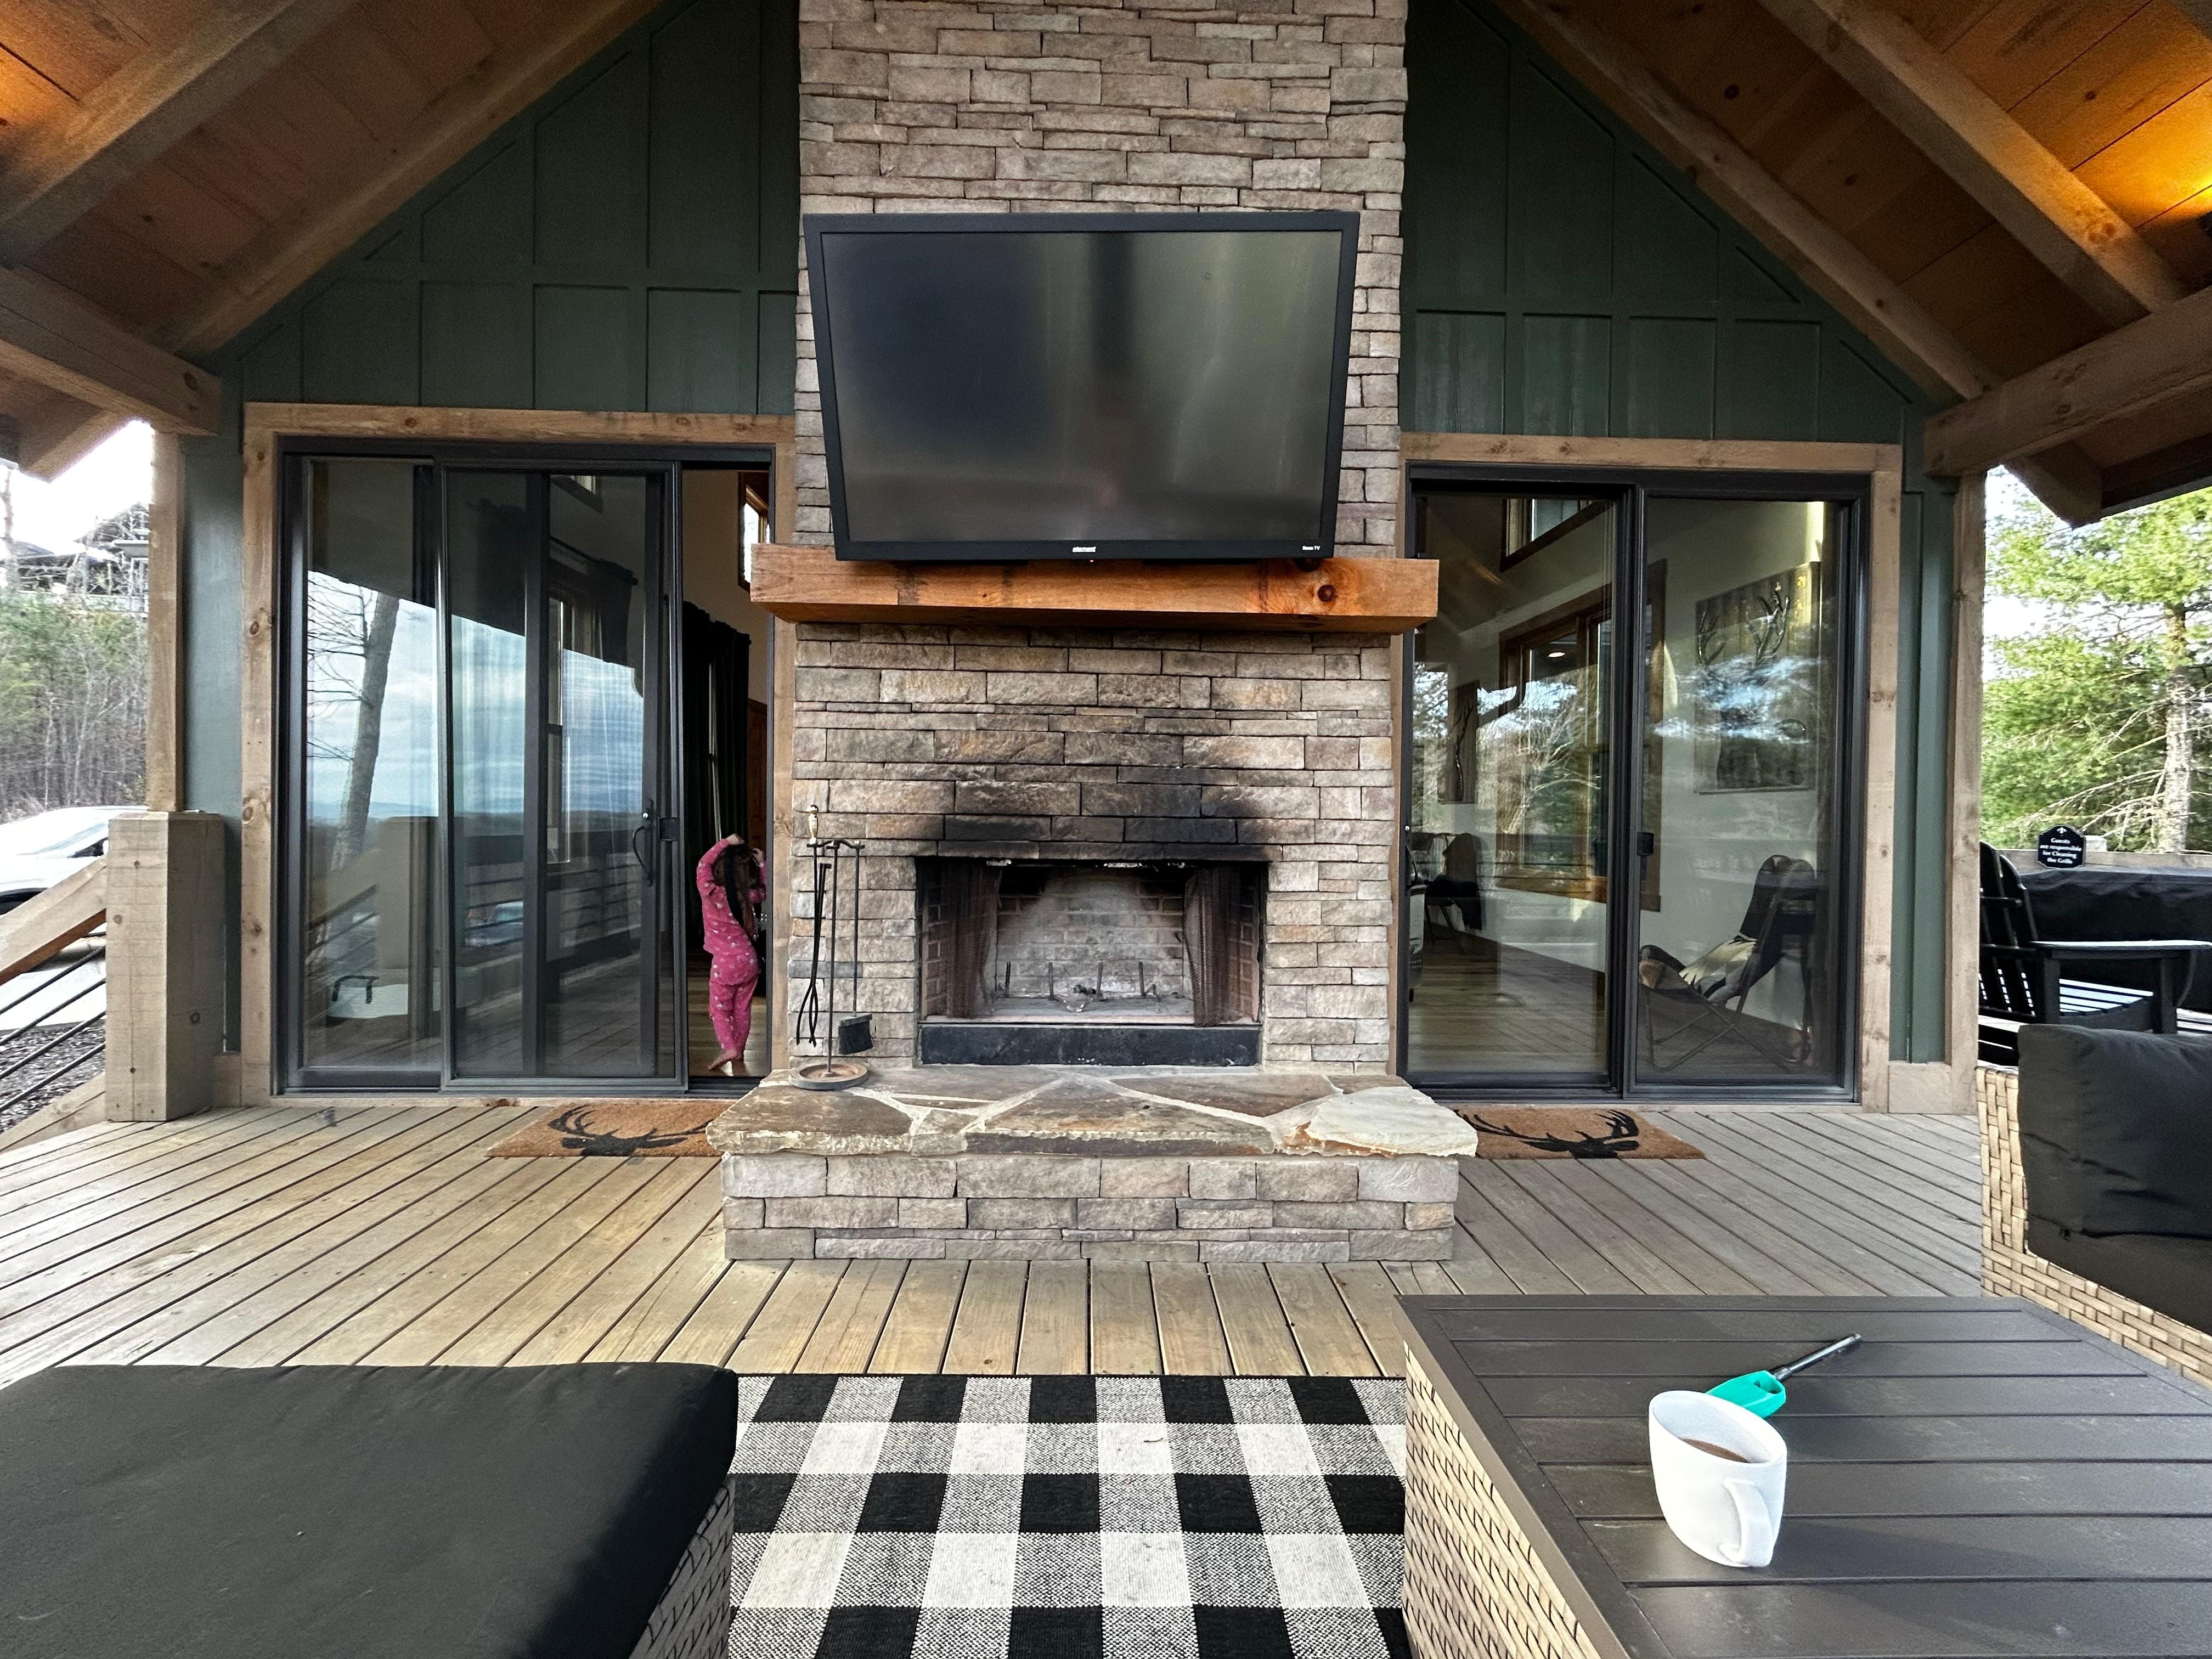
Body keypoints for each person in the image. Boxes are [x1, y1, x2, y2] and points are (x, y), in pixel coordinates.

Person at [696, 832, 763, 1076]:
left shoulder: (710, 892)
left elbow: (703, 865)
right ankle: (740, 1050)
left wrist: (725, 843)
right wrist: (763, 862)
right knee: (743, 1009)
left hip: (725, 963)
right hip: (750, 960)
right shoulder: (748, 896)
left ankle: (729, 1048)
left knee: (720, 1009)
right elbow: (765, 890)